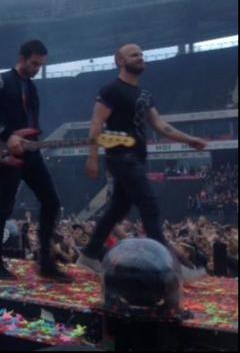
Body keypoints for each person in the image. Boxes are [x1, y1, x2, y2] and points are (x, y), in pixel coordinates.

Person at [78, 44, 208, 280]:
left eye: (141, 54)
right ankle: (172, 269)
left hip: (138, 157)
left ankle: (89, 255)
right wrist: (92, 157)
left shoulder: (145, 93)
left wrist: (189, 140)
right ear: (120, 61)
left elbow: (160, 125)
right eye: (134, 55)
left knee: (117, 209)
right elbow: (96, 124)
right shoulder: (111, 90)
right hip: (120, 156)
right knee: (149, 206)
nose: (140, 57)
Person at [0, 39, 70, 281]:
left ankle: (45, 262)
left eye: (41, 65)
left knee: (51, 202)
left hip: (31, 152)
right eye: (34, 64)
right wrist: (7, 135)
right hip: (6, 154)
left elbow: (32, 123)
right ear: (22, 58)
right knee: (4, 206)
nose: (37, 69)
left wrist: (35, 142)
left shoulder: (32, 88)